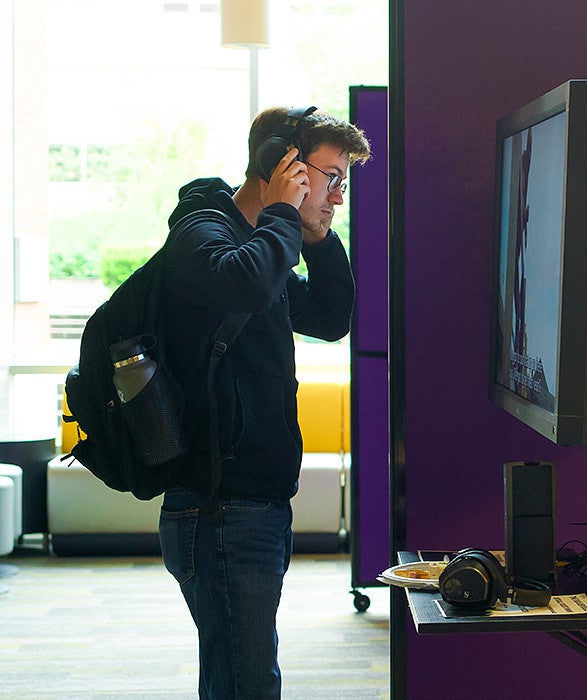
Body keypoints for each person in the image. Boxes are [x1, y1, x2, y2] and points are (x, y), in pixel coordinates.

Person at [156, 106, 370, 698]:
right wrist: (283, 212)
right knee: (247, 682)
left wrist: (319, 237)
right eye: (330, 179)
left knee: (239, 676)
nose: (337, 196)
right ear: (285, 167)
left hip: (255, 506)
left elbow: (330, 318)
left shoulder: (262, 245)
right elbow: (242, 281)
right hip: (220, 507)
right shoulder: (204, 230)